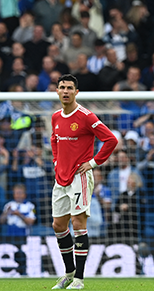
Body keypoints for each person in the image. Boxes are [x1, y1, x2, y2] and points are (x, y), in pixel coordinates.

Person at [50, 74, 118, 290]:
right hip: (60, 177)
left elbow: (111, 139)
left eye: (70, 87)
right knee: (58, 225)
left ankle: (79, 278)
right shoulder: (55, 117)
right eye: (62, 87)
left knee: (78, 224)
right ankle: (68, 273)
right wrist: (55, 161)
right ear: (58, 91)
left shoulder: (86, 116)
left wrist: (94, 162)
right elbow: (54, 139)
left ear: (76, 92)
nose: (66, 91)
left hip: (80, 176)